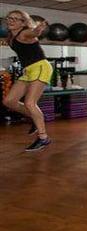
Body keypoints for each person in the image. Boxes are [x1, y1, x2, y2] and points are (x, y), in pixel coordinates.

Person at [2, 10, 52, 151]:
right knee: (9, 101)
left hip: (40, 67)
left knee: (30, 102)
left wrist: (37, 30)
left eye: (16, 19)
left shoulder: (24, 33)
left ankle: (43, 138)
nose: (11, 21)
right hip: (28, 70)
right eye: (9, 18)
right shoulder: (10, 36)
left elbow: (34, 33)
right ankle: (36, 118)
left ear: (23, 22)